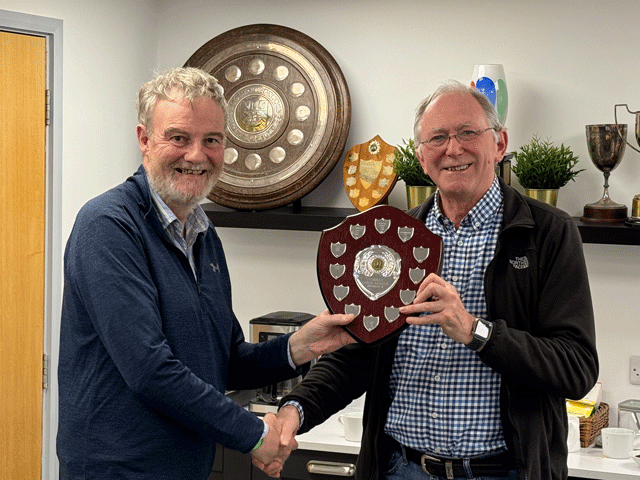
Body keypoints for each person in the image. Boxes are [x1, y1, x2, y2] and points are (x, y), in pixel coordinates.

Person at [270, 81, 599, 480]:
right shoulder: (392, 237)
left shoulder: (547, 232)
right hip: (401, 468)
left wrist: (475, 331)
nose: (453, 148)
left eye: (467, 132)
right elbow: (356, 351)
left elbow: (576, 367)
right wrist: (295, 409)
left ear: (499, 144)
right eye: (437, 138)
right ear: (423, 159)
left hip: (503, 472)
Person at [56, 67, 355, 480]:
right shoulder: (108, 226)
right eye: (178, 138)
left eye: (211, 140)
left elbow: (225, 360)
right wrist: (254, 434)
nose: (196, 155)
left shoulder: (202, 234)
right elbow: (150, 370)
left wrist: (301, 345)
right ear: (144, 139)